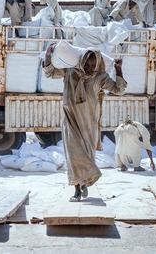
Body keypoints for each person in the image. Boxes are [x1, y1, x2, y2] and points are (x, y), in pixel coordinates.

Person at [43, 45, 127, 201]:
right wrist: (48, 56)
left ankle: (84, 183)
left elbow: (119, 90)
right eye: (87, 64)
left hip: (89, 124)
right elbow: (50, 72)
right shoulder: (69, 72)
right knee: (74, 156)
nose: (89, 68)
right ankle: (76, 189)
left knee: (87, 155)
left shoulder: (100, 77)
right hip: (70, 121)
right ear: (81, 61)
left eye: (93, 65)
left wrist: (119, 70)